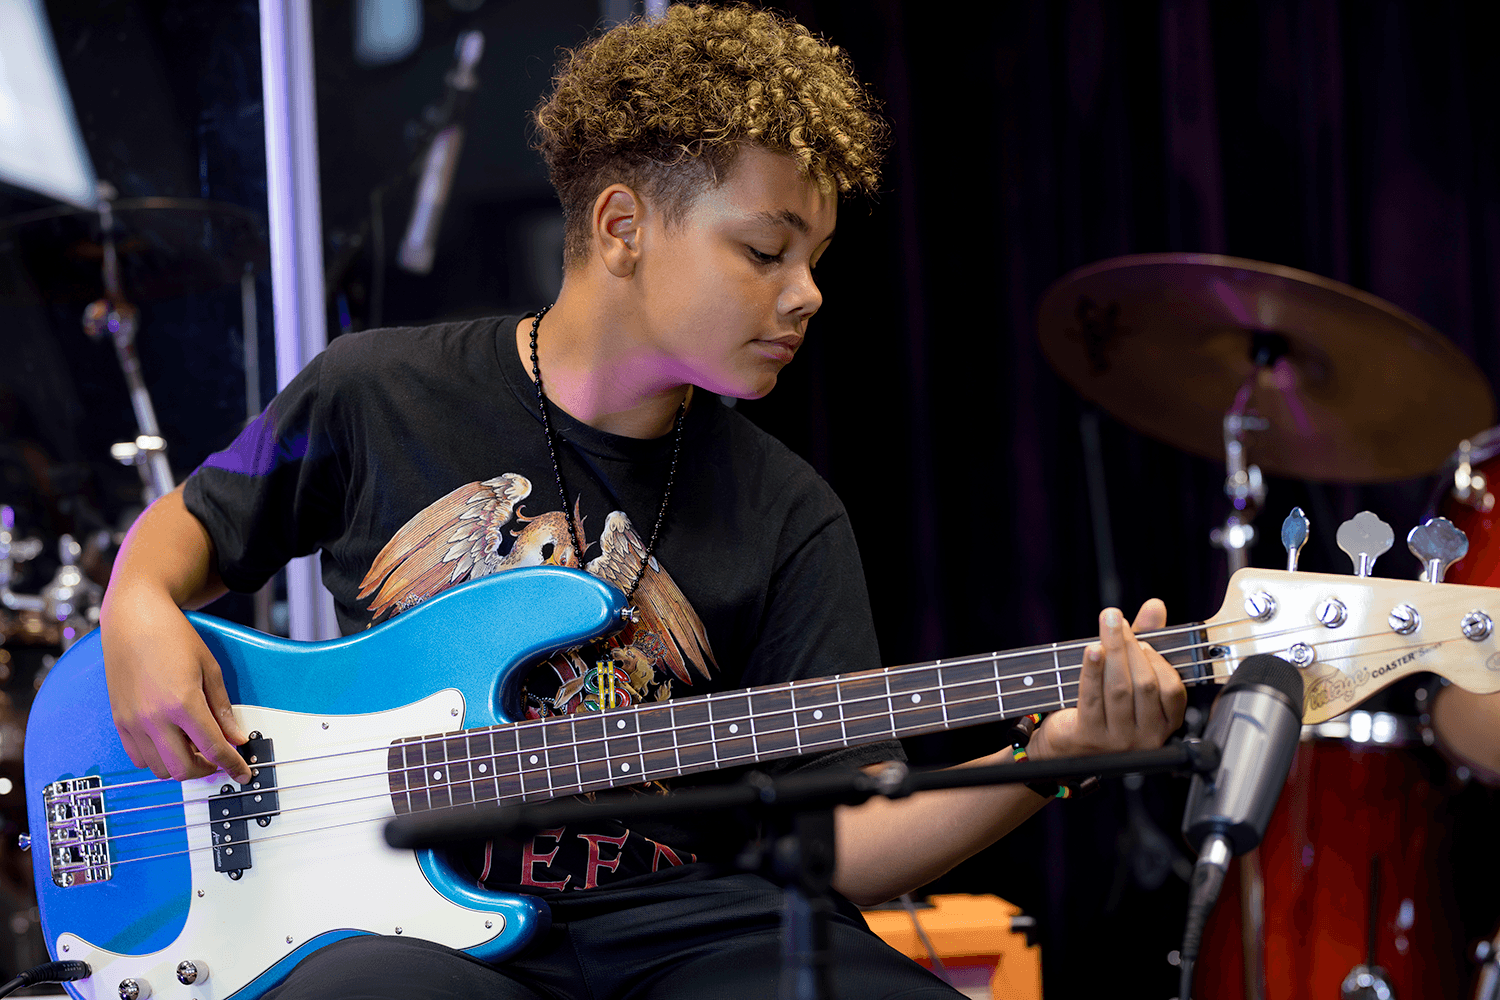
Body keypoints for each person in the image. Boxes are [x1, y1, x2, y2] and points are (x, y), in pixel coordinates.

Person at [99, 5, 1186, 997]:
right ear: (622, 226)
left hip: (689, 929)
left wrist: (1049, 762)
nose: (808, 293)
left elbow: (849, 834)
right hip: (402, 931)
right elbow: (189, 527)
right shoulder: (373, 388)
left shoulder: (788, 508)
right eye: (767, 250)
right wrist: (136, 604)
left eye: (817, 257)